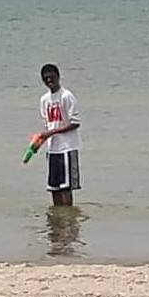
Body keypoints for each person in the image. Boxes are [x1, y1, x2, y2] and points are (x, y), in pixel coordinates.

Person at [37, 63, 82, 206]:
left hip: (67, 148)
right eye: (46, 79)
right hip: (52, 150)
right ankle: (57, 224)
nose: (49, 81)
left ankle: (69, 223)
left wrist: (52, 132)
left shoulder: (66, 96)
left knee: (66, 188)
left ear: (58, 77)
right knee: (54, 189)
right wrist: (38, 143)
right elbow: (47, 125)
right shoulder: (44, 100)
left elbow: (75, 122)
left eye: (51, 77)